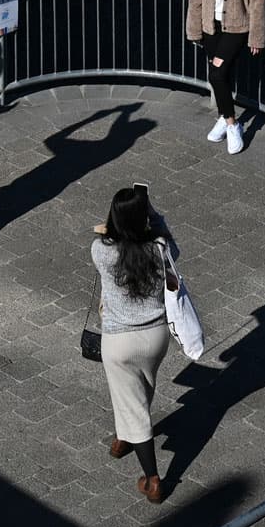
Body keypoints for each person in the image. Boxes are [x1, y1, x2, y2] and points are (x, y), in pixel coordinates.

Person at [91, 183, 178, 503]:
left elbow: (105, 234)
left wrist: (116, 221)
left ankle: (153, 479)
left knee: (136, 407)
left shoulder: (102, 251)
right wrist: (155, 216)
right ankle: (122, 439)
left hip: (119, 341)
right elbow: (173, 252)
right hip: (155, 337)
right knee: (140, 390)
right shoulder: (159, 248)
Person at [185, 0, 265, 153]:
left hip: (236, 27)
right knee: (224, 74)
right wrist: (193, 28)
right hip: (211, 26)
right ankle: (223, 116)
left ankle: (232, 124)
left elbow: (257, 4)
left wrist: (256, 37)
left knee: (217, 75)